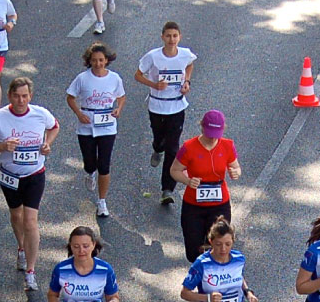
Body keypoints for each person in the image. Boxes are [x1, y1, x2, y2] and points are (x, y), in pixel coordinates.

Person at [0, 77, 59, 291]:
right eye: (16, 96)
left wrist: (47, 144)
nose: (21, 100)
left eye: (25, 96)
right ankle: (21, 248)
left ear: (30, 97)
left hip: (34, 174)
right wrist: (3, 146)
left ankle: (31, 271)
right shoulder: (0, 117)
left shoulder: (40, 114)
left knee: (30, 221)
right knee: (16, 215)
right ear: (9, 96)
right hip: (10, 176)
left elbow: (54, 127)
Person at [134, 22, 196, 204]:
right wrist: (154, 85)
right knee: (159, 139)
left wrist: (187, 82)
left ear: (180, 37)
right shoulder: (153, 57)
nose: (171, 39)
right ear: (162, 37)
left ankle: (167, 189)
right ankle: (156, 148)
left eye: (175, 36)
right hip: (157, 106)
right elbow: (137, 75)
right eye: (168, 36)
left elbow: (190, 65)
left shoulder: (185, 54)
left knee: (173, 147)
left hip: (177, 106)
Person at [169, 109, 241, 263]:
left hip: (219, 205)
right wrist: (188, 181)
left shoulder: (228, 146)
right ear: (202, 127)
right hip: (194, 206)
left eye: (216, 134)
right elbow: (174, 171)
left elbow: (236, 166)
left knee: (219, 247)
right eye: (209, 133)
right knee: (193, 250)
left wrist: (236, 172)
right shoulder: (189, 147)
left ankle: (210, 281)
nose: (213, 138)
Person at [65, 43, 126, 218]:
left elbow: (121, 96)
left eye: (101, 60)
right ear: (89, 61)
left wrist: (118, 109)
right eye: (94, 61)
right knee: (90, 162)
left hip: (107, 125)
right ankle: (89, 173)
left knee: (104, 165)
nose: (98, 64)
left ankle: (102, 202)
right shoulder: (82, 78)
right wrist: (79, 113)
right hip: (87, 124)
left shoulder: (114, 78)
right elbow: (70, 97)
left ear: (107, 60)